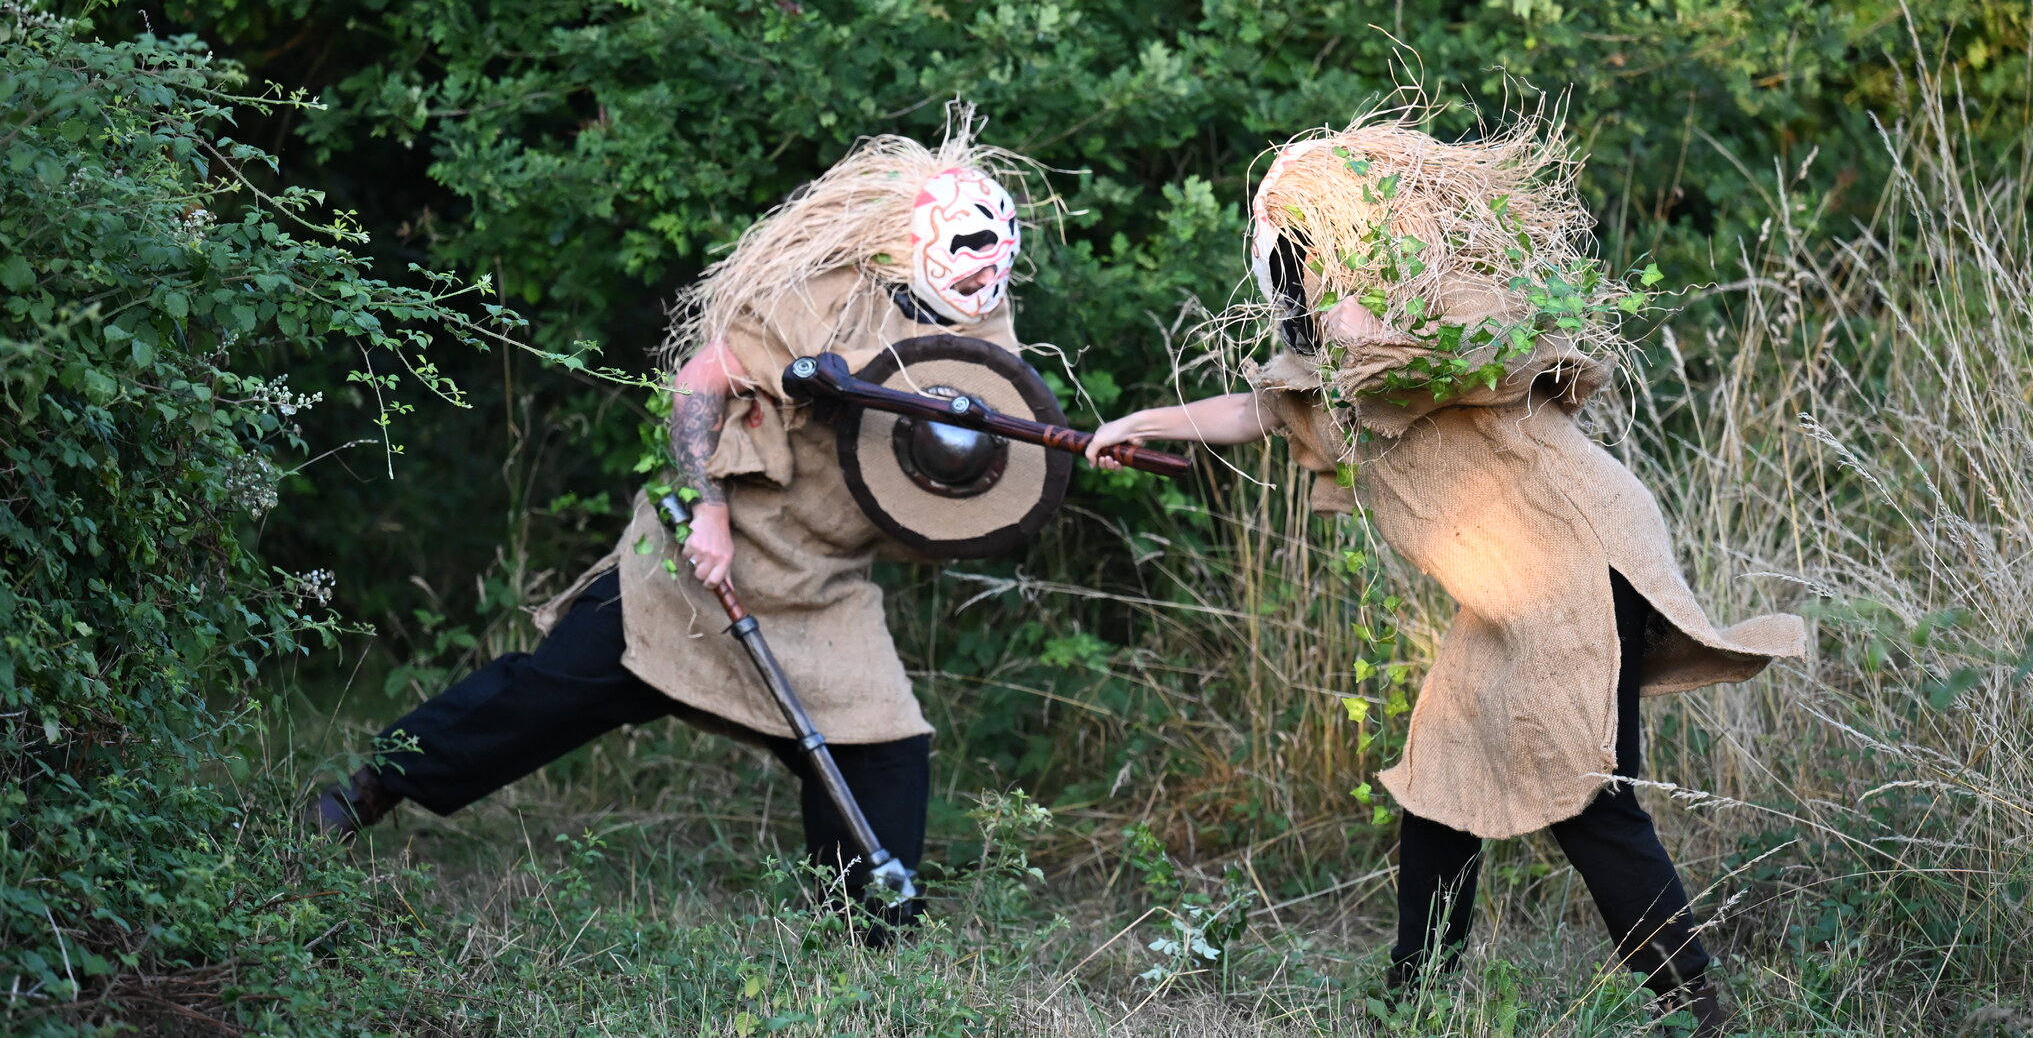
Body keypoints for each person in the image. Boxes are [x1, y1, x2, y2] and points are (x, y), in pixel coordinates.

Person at [1083, 115, 1804, 1032]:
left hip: (1574, 557)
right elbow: (1260, 406)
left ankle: (1697, 1008)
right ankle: (1414, 999)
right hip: (1512, 589)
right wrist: (1138, 422)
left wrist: (1379, 323)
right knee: (1442, 783)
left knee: (1588, 792)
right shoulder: (1331, 353)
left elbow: (1492, 349)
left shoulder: (1446, 303)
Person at [310, 107, 1035, 934]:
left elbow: (1001, 457)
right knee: (548, 694)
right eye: (970, 256)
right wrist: (709, 507)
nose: (987, 275)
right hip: (703, 559)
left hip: (821, 586)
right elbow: (701, 379)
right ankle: (368, 790)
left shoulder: (987, 337)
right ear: (915, 243)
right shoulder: (826, 298)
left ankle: (871, 941)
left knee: (883, 744)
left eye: (999, 261)